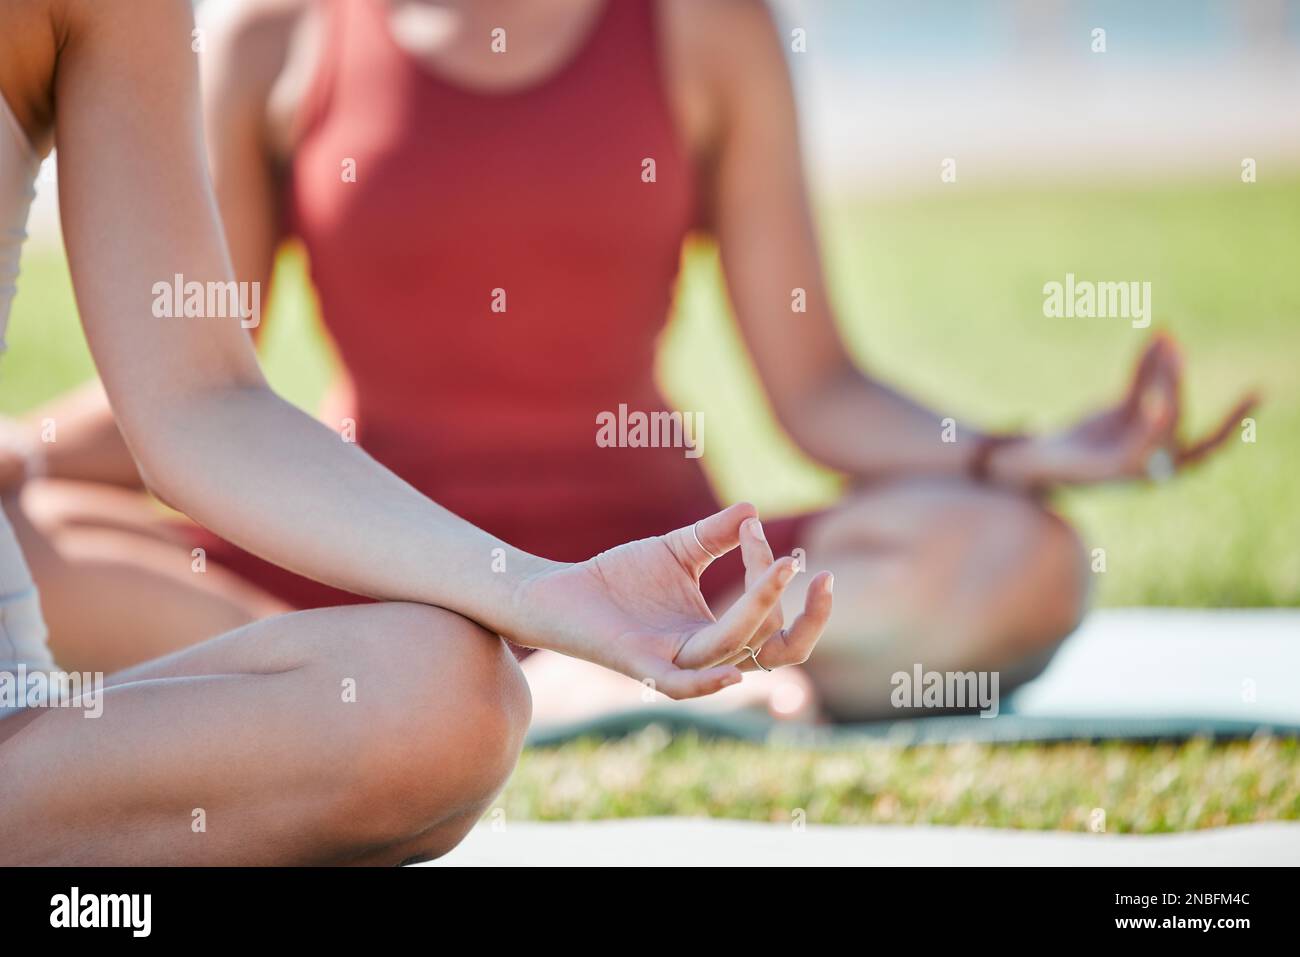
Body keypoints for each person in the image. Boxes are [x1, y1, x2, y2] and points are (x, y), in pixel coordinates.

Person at [4, 0, 1250, 721]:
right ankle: (512, 681)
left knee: (1020, 556)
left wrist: (1005, 454)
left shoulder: (704, 27)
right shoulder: (278, 42)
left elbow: (812, 385)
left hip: (655, 568)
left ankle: (644, 669)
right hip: (364, 568)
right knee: (23, 547)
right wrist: (15, 463)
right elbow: (197, 392)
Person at [0, 0, 831, 865]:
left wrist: (542, 594)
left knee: (447, 696)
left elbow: (200, 398)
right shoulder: (282, 37)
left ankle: (532, 664)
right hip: (335, 566)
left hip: (31, 727)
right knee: (44, 526)